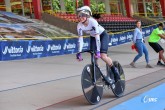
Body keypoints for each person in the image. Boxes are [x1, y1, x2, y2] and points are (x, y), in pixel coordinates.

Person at [75, 6, 120, 83]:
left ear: (87, 15)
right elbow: (80, 39)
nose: (80, 17)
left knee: (102, 55)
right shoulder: (79, 25)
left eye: (82, 15)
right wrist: (79, 52)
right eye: (79, 15)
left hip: (102, 35)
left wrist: (98, 51)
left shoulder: (93, 22)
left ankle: (115, 71)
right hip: (93, 37)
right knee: (93, 57)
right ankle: (98, 75)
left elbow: (97, 37)